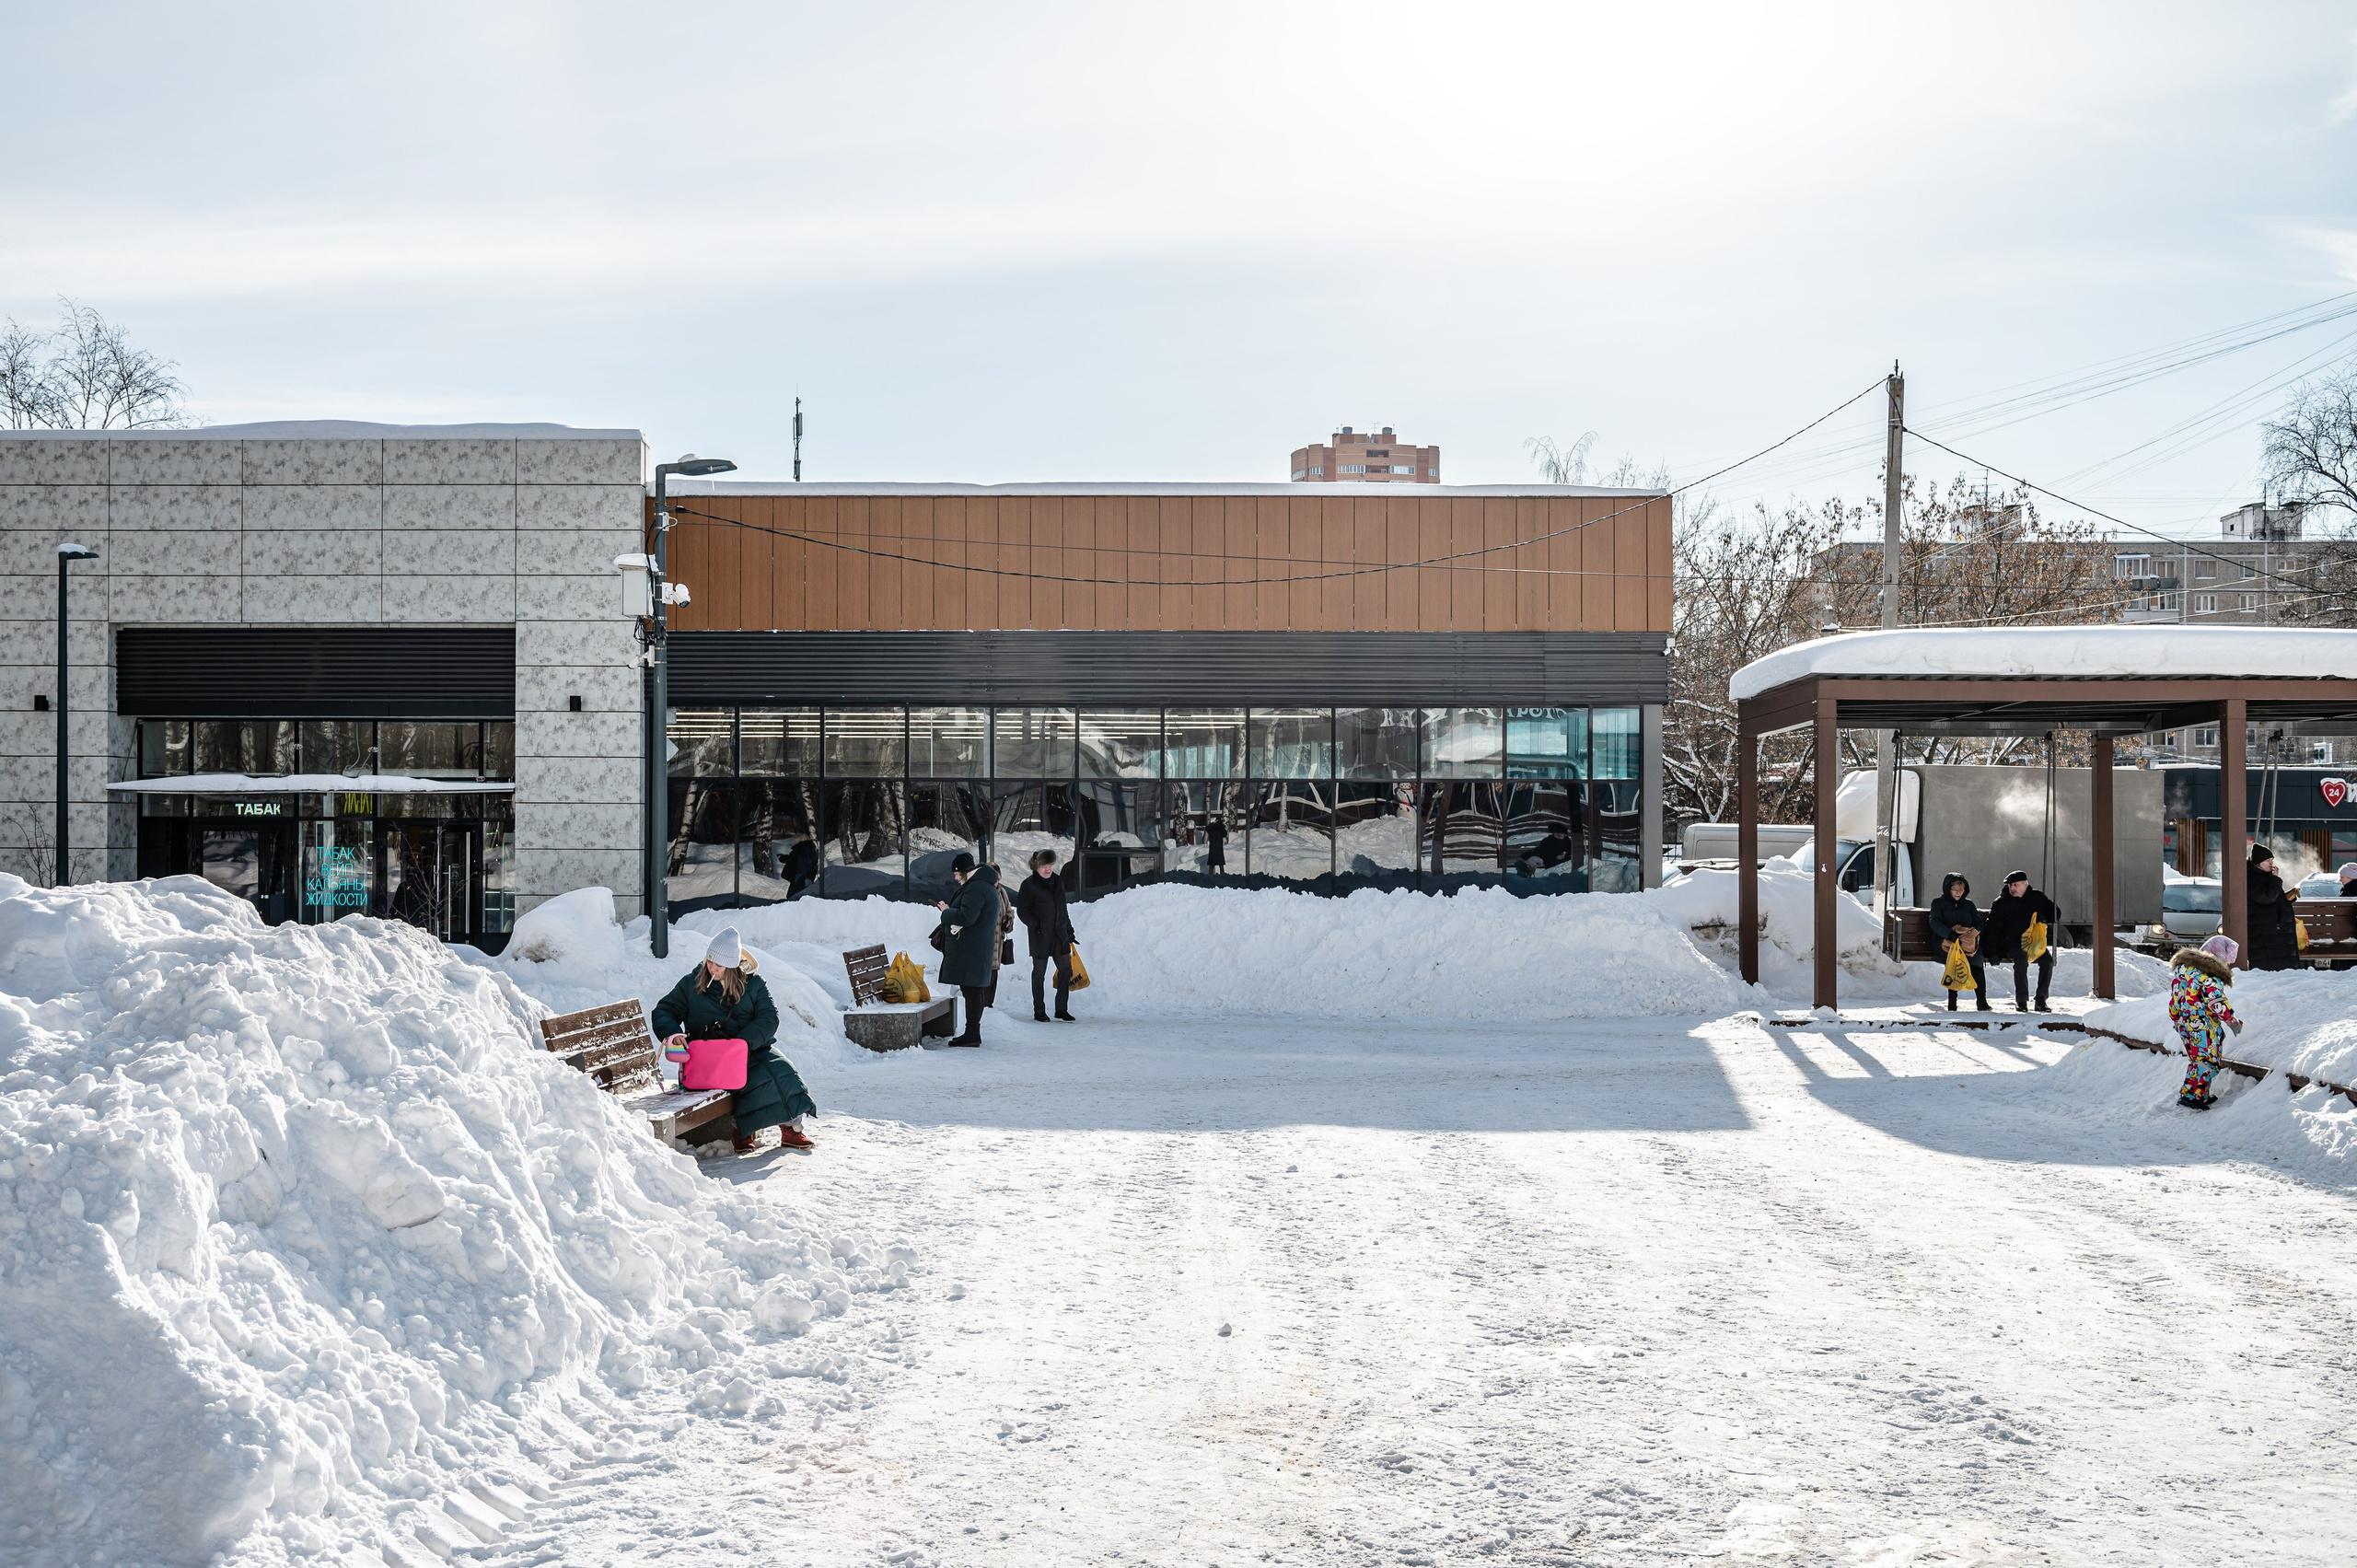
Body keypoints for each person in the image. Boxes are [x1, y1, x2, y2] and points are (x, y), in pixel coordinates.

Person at [653, 927, 817, 1153]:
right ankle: (742, 1131)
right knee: (744, 1081)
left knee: (782, 1073)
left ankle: (791, 1130)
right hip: (707, 1056)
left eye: (718, 965)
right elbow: (664, 1010)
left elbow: (769, 1017)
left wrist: (743, 1044)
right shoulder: (691, 984)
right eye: (709, 962)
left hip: (750, 1049)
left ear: (732, 966)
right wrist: (673, 1034)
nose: (712, 968)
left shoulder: (755, 984)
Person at [934, 852, 1004, 1046]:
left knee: (972, 991)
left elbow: (967, 917)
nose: (955, 878)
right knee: (973, 990)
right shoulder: (982, 885)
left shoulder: (977, 888)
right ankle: (972, 1033)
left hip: (972, 948)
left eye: (957, 874)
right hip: (976, 946)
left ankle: (972, 1034)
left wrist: (947, 912)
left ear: (966, 871)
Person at [2167, 933, 2242, 1110]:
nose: (2228, 965)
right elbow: (2217, 1001)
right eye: (2228, 961)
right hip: (2204, 1025)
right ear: (2219, 957)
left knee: (2197, 1060)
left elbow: (2175, 1000)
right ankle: (2193, 1097)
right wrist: (2231, 1019)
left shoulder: (2183, 972)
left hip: (2184, 1024)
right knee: (2208, 1061)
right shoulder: (2208, 976)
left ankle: (2194, 1094)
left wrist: (2176, 1019)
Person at [1982, 868, 2062, 1014]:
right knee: (2020, 959)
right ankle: (2021, 1000)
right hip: (2010, 943)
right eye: (2010, 885)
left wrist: (2044, 917)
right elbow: (1992, 929)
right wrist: (1992, 952)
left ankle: (2040, 1000)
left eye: (2015, 885)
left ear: (2025, 884)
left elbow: (2056, 912)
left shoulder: (2037, 897)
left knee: (2047, 961)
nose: (2012, 888)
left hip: (2032, 942)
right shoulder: (2001, 903)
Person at [1016, 848, 1079, 1022]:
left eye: (1050, 865)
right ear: (1036, 866)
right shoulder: (1028, 885)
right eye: (1044, 865)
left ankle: (1061, 1009)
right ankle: (1039, 1010)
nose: (1048, 869)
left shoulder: (1058, 881)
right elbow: (1023, 910)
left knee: (1066, 970)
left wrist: (1069, 930)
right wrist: (1035, 924)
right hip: (1040, 935)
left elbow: (1062, 908)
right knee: (1039, 973)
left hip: (1059, 935)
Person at [1927, 872, 1990, 1012]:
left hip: (1966, 943)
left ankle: (1981, 1000)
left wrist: (1975, 932)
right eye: (1955, 891)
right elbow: (1935, 922)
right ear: (1948, 889)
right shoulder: (1938, 903)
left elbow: (1978, 922)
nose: (1958, 894)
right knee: (1954, 960)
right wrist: (1950, 934)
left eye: (1961, 891)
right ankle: (1952, 1001)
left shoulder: (1968, 905)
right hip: (1946, 942)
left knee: (1977, 959)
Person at [2246, 844, 2300, 971]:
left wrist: (2287, 898)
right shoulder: (2253, 877)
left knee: (2282, 967)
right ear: (2258, 863)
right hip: (2266, 932)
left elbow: (2274, 898)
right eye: (2267, 860)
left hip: (2274, 931)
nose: (2271, 863)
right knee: (2272, 968)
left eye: (2272, 859)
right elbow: (2267, 898)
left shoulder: (2265, 876)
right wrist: (2276, 879)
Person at [785, 834, 819, 898]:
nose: (794, 843)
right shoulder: (811, 849)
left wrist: (783, 858)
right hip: (808, 876)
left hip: (800, 876)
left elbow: (794, 860)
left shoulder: (800, 849)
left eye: (795, 841)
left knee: (793, 896)